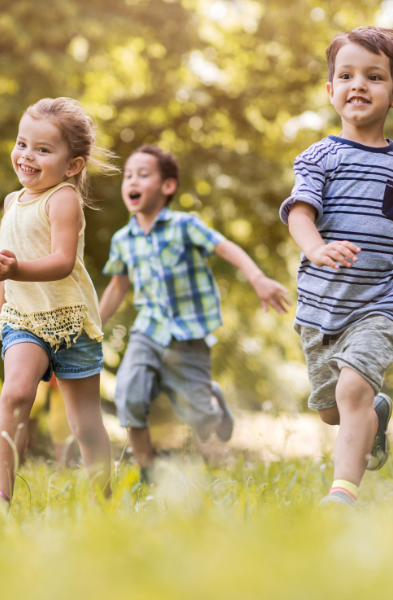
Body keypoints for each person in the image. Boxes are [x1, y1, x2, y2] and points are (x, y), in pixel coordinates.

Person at [279, 27, 393, 506]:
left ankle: (342, 494)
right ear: (330, 91)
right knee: (333, 409)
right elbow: (299, 212)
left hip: (381, 301)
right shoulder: (319, 157)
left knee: (354, 389)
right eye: (346, 75)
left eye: (374, 76)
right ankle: (374, 419)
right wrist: (316, 247)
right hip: (323, 306)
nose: (358, 85)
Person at [99, 145, 290, 483]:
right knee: (130, 397)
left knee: (203, 422)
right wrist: (93, 327)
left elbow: (225, 247)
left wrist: (257, 277)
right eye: (128, 175)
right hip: (148, 331)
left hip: (188, 336)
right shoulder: (123, 239)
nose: (133, 180)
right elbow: (117, 287)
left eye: (143, 174)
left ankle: (213, 403)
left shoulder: (185, 225)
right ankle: (148, 474)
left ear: (167, 186)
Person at [0, 98, 114, 508]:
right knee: (15, 395)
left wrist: (14, 270)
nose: (26, 155)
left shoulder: (63, 199)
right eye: (21, 144)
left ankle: (103, 502)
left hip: (72, 323)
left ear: (73, 166)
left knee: (84, 424)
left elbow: (62, 262)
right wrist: (2, 280)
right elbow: (8, 275)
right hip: (23, 320)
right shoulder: (11, 202)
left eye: (43, 149)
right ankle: (1, 496)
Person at [0, 284, 77, 468]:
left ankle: (63, 471)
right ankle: (23, 447)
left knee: (62, 425)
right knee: (25, 404)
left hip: (63, 347)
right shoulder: (10, 273)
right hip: (31, 349)